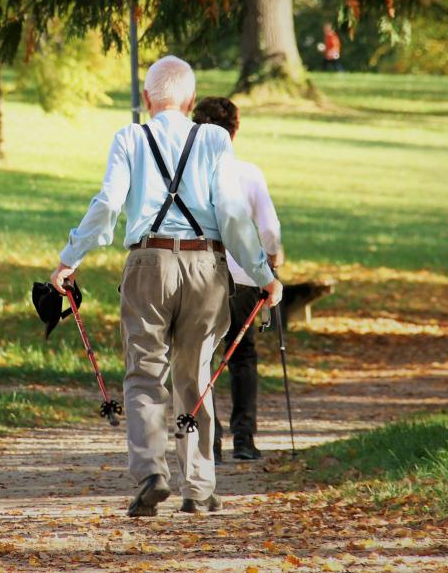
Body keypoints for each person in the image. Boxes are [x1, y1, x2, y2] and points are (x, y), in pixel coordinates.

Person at [50, 56, 283, 518]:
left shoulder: (130, 137)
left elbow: (108, 205)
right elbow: (234, 217)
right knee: (196, 375)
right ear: (191, 101)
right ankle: (198, 487)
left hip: (147, 263)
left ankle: (151, 473)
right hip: (206, 265)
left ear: (146, 100)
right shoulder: (215, 139)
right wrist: (263, 275)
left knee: (143, 372)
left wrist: (68, 260)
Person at [192, 97, 283, 462]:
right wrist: (273, 257)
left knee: (202, 355)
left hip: (201, 274)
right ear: (235, 130)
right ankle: (244, 438)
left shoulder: (191, 174)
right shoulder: (248, 173)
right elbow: (269, 228)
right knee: (243, 355)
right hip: (245, 276)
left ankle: (209, 442)